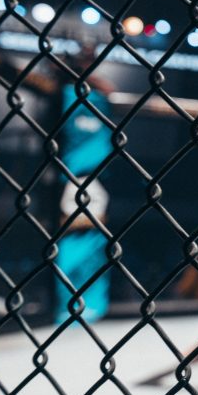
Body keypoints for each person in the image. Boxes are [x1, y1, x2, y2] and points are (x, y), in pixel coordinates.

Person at [55, 44, 114, 324]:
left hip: (92, 178)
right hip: (76, 178)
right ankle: (72, 305)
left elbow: (108, 89)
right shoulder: (66, 95)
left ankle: (88, 304)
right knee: (74, 241)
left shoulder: (96, 97)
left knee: (93, 242)